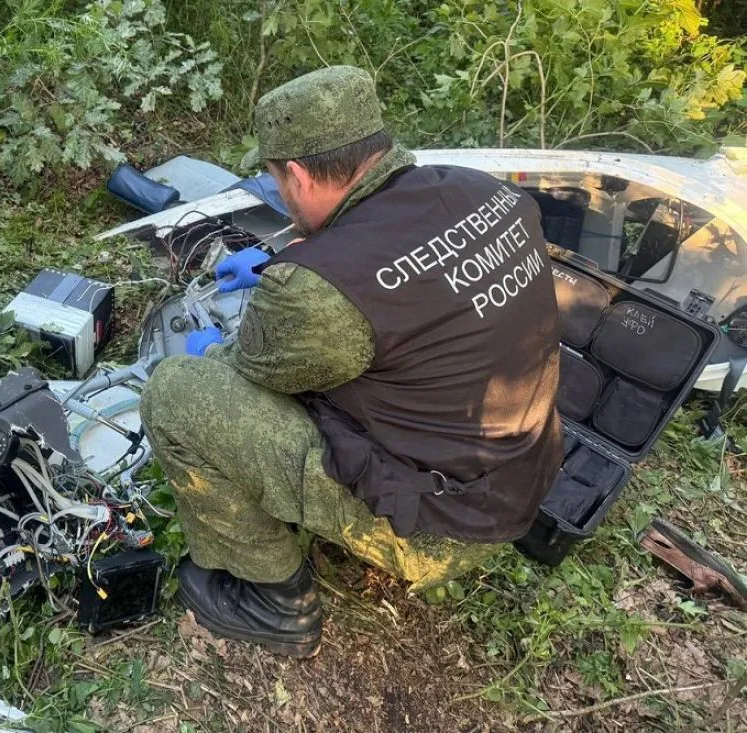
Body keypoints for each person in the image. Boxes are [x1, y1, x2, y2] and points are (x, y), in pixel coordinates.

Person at [139, 66, 562, 658]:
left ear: (297, 174)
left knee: (178, 394)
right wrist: (283, 261)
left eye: (277, 181)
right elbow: (407, 273)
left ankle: (274, 601)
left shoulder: (314, 299)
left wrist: (213, 349)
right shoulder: (487, 193)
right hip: (522, 475)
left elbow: (254, 370)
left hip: (442, 525)